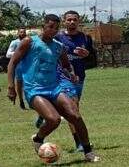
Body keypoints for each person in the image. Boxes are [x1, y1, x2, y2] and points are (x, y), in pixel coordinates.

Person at [7, 14, 100, 162]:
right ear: (43, 26)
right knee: (54, 119)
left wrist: (71, 74)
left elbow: (65, 65)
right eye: (50, 27)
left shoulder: (58, 46)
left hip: (55, 87)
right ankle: (38, 139)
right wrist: (11, 87)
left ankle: (88, 152)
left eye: (56, 28)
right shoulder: (29, 42)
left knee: (75, 115)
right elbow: (12, 63)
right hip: (34, 89)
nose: (53, 30)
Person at [36, 10, 94, 152]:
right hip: (62, 78)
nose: (72, 22)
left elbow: (93, 61)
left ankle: (44, 114)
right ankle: (79, 143)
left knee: (69, 110)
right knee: (73, 108)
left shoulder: (86, 38)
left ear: (79, 21)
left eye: (75, 19)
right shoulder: (58, 38)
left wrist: (87, 55)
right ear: (64, 21)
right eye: (69, 20)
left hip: (79, 77)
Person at [6, 27, 27, 110]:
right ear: (18, 33)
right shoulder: (14, 42)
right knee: (19, 84)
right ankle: (21, 100)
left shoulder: (28, 42)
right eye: (21, 32)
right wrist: (18, 53)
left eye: (24, 32)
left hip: (29, 66)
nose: (23, 33)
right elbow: (8, 54)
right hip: (19, 66)